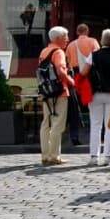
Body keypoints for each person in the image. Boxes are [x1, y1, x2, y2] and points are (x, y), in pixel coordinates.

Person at [79, 29, 110, 165]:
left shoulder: (93, 55)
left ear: (102, 40)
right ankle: (108, 157)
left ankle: (94, 156)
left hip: (96, 93)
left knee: (95, 125)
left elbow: (83, 72)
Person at [38, 26, 74, 166]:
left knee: (46, 123)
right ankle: (54, 156)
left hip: (47, 91)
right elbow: (60, 70)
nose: (67, 40)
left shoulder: (44, 51)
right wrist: (71, 81)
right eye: (65, 37)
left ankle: (45, 155)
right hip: (60, 91)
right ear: (58, 38)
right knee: (58, 124)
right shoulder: (58, 52)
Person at [65, 24, 98, 146]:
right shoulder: (93, 41)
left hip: (76, 75)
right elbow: (97, 57)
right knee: (93, 103)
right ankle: (95, 132)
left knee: (76, 107)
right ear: (87, 31)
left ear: (77, 32)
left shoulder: (70, 45)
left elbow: (67, 62)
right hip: (90, 75)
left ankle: (76, 135)